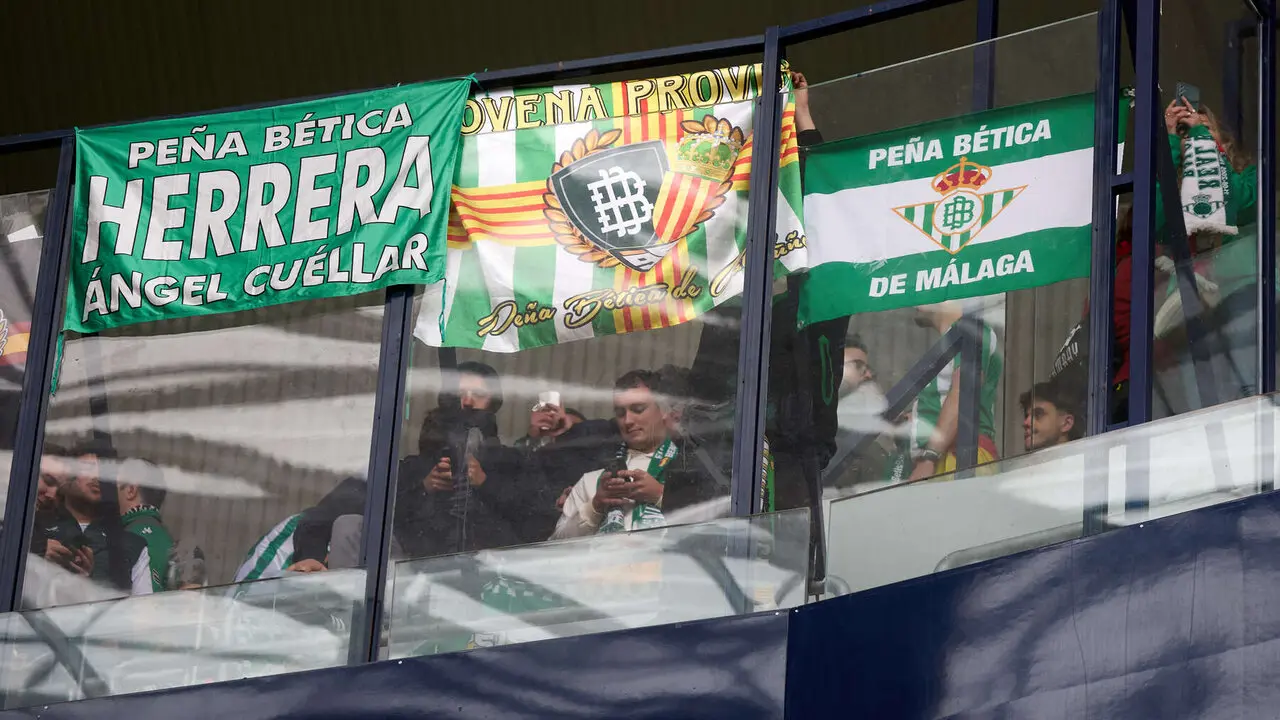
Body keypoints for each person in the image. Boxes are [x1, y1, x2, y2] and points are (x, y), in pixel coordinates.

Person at [552, 368, 719, 539]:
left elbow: (720, 527)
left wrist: (661, 496)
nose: (628, 421)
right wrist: (595, 506)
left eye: (638, 409)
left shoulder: (693, 467)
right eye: (620, 413)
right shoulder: (594, 480)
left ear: (663, 410)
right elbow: (554, 548)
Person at [34, 444, 150, 595]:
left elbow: (139, 611)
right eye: (88, 468)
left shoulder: (132, 544)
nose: (97, 478)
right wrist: (36, 552)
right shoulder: (32, 525)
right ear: (67, 477)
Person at [908, 302, 1003, 481]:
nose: (914, 299)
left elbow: (964, 390)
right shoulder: (956, 338)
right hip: (947, 455)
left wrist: (928, 457)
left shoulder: (971, 330)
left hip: (957, 455)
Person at [116, 458, 178, 593]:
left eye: (114, 486)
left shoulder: (135, 537)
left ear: (131, 490)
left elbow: (146, 604)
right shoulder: (165, 537)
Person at [1020, 382, 1082, 452]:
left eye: (1038, 414)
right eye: (1026, 416)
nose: (1025, 423)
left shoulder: (1086, 461)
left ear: (1066, 423)